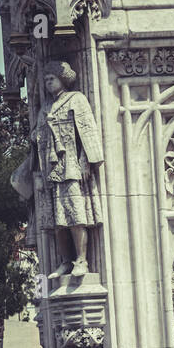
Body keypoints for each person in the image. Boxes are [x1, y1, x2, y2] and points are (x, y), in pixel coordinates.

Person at [33, 61, 104, 279]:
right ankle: (65, 261)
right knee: (57, 221)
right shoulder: (45, 106)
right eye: (45, 80)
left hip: (72, 165)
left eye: (51, 79)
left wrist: (86, 160)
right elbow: (37, 137)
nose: (47, 83)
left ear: (62, 79)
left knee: (76, 215)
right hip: (50, 170)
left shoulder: (77, 99)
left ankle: (81, 260)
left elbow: (88, 130)